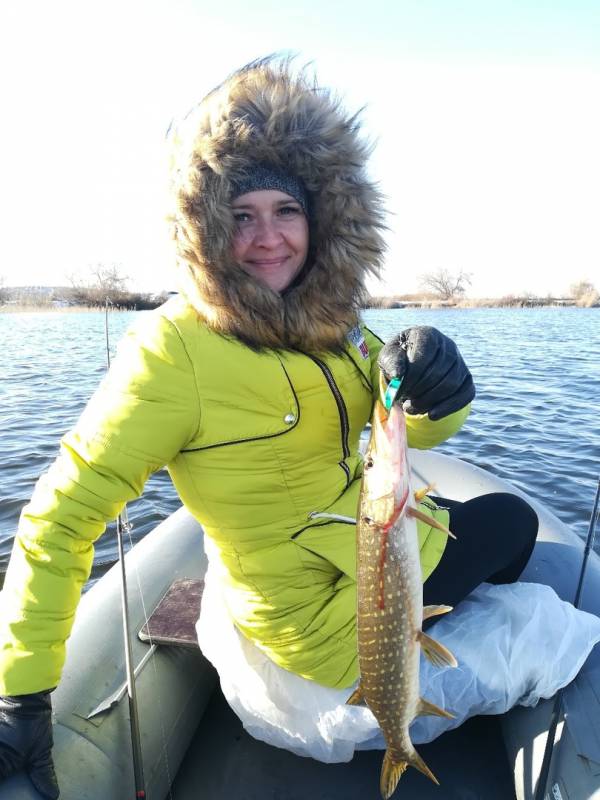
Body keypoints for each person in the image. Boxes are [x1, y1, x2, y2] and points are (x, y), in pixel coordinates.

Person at [0, 56, 538, 798]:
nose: (267, 238)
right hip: (320, 615)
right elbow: (59, 520)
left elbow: (407, 426)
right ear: (208, 229)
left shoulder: (333, 325)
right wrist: (20, 697)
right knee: (511, 524)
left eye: (286, 212)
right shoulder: (172, 350)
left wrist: (437, 386)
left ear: (321, 221)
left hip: (361, 548)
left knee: (505, 520)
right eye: (241, 215)